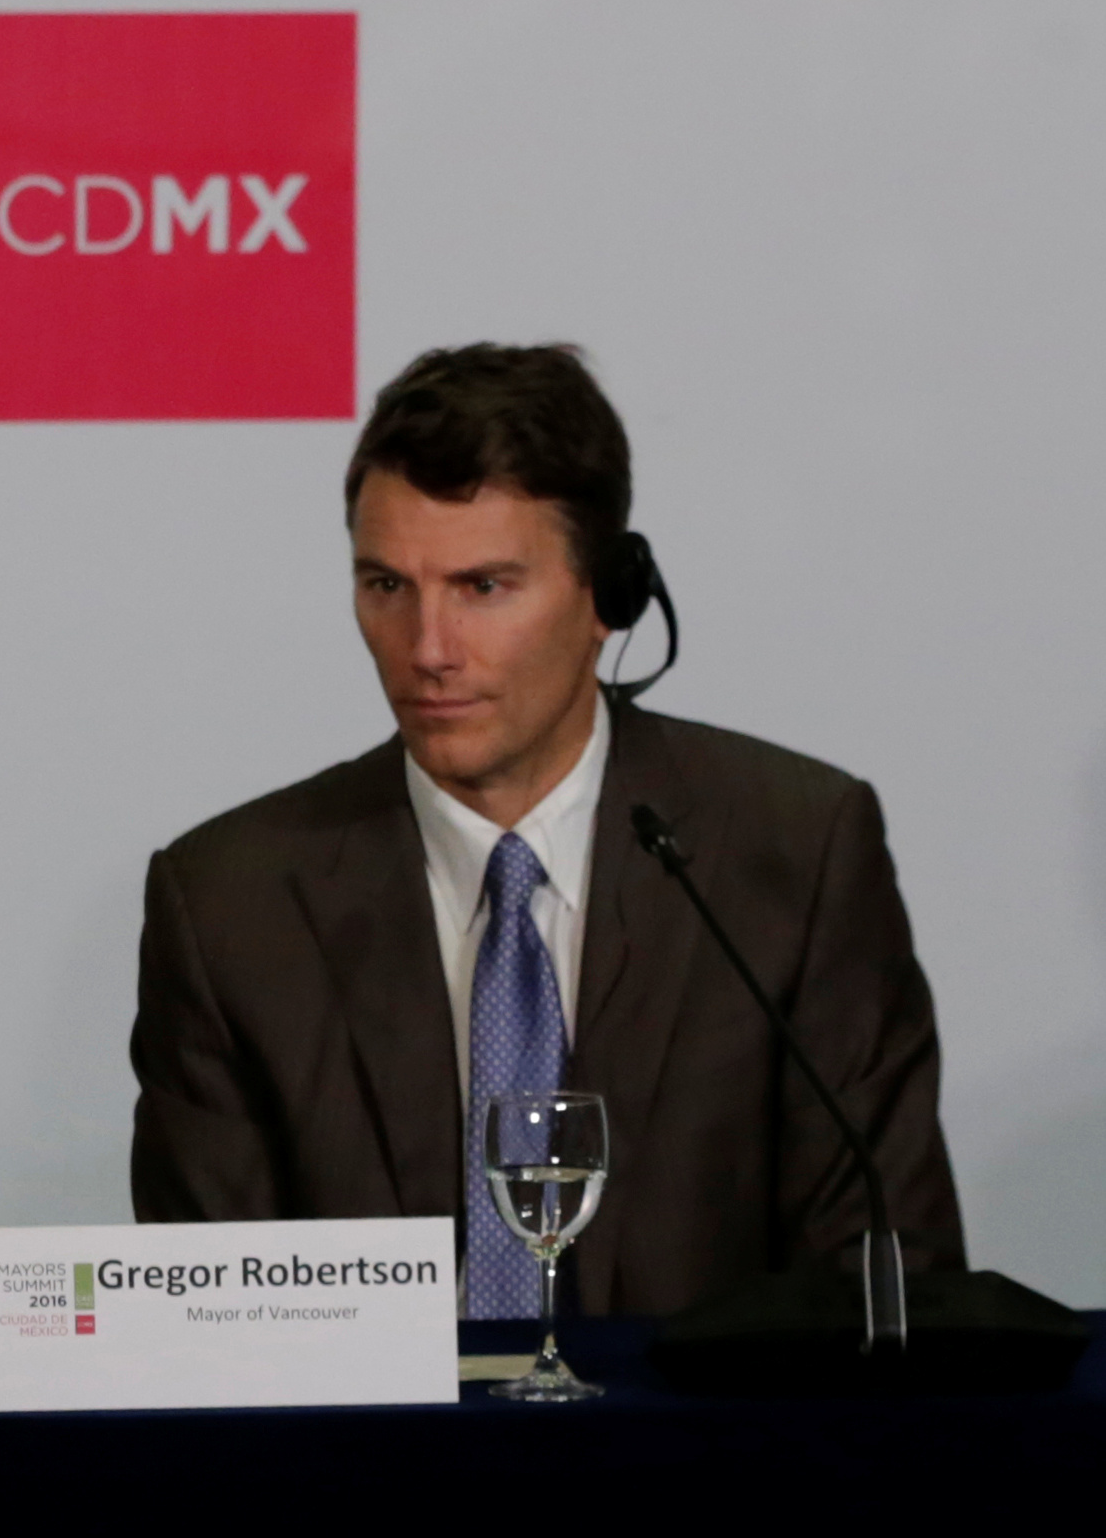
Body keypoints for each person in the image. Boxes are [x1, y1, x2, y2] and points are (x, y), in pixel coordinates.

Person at [129, 345, 961, 1317]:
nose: (428, 650)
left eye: (483, 587)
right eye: (388, 586)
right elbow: (210, 1332)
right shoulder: (231, 905)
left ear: (607, 596)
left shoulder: (793, 854)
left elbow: (889, 1293)